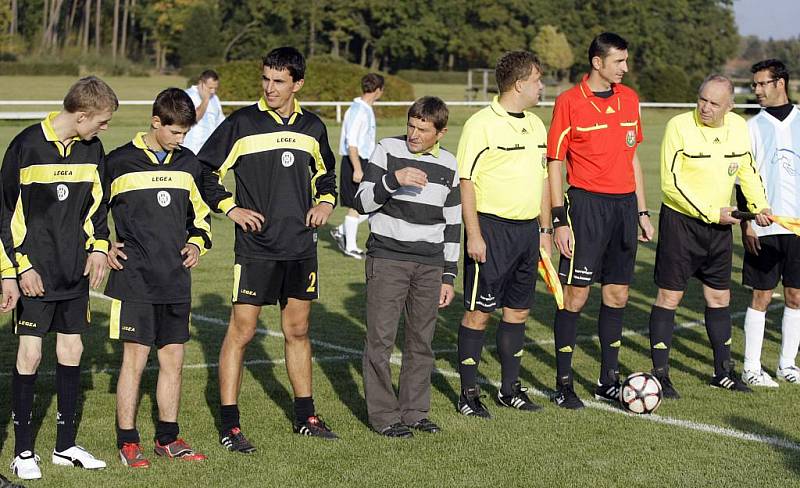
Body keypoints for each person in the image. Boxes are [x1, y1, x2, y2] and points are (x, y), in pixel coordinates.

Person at [198, 46, 338, 451]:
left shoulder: (313, 127)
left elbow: (327, 175)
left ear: (298, 84)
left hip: (300, 248)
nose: (270, 87)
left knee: (298, 330)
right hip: (256, 248)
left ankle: (306, 416)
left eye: (279, 81)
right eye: (266, 79)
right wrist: (231, 207)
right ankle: (230, 424)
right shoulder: (242, 123)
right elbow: (205, 170)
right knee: (242, 332)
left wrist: (326, 201)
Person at [1, 76, 117, 480]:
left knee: (72, 352)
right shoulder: (26, 146)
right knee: (30, 355)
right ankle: (22, 452)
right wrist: (17, 270)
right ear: (82, 115)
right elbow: (5, 214)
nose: (104, 129)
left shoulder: (93, 149)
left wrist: (100, 246)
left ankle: (65, 447)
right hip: (35, 274)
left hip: (74, 275)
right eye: (101, 122)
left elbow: (98, 207)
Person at [104, 88, 212, 467]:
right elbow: (92, 208)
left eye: (185, 133)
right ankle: (128, 441)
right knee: (134, 360)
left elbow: (200, 216)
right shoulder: (119, 161)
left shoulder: (188, 164)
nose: (181, 140)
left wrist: (198, 243)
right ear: (156, 122)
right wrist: (101, 245)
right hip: (134, 279)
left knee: (174, 362)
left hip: (175, 280)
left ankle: (168, 437)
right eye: (176, 133)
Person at [547, 32, 654, 409]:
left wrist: (642, 211)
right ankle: (563, 383)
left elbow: (633, 158)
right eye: (619, 62)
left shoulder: (630, 99)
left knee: (618, 293)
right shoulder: (569, 102)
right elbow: (555, 162)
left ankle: (608, 380)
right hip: (586, 207)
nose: (625, 68)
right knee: (576, 295)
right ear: (597, 62)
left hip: (624, 208)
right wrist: (559, 218)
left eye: (626, 61)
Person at [648, 74, 771, 398]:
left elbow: (747, 171)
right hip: (682, 226)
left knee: (719, 298)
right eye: (702, 99)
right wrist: (709, 212)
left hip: (719, 229)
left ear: (729, 106)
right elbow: (670, 183)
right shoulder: (679, 126)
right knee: (669, 297)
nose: (705, 107)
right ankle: (660, 374)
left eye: (714, 103)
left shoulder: (738, 128)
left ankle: (723, 372)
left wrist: (759, 207)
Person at [355, 97, 460, 437]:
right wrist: (393, 179)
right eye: (411, 126)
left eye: (423, 129)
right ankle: (385, 417)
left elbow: (453, 224)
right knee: (380, 341)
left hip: (430, 265)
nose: (413, 134)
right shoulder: (387, 150)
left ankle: (414, 412)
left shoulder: (449, 164)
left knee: (421, 342)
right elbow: (361, 201)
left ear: (440, 132)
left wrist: (449, 274)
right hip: (387, 259)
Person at [455, 50, 551, 418]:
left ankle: (510, 390)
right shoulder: (481, 124)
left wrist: (544, 230)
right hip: (491, 231)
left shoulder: (536, 125)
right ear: (520, 84)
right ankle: (468, 393)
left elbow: (542, 179)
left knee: (518, 312)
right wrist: (474, 234)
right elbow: (467, 182)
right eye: (539, 80)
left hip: (528, 233)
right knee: (480, 313)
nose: (542, 86)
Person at [738, 59, 800, 386]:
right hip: (764, 225)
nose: (757, 90)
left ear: (780, 83)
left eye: (762, 84)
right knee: (761, 296)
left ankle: (786, 365)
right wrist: (746, 223)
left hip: (798, 228)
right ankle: (751, 367)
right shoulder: (750, 126)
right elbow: (740, 179)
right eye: (754, 85)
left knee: (796, 296)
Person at [330, 73, 385, 259]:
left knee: (374, 203)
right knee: (357, 205)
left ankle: (341, 231)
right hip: (355, 161)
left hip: (364, 161)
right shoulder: (358, 110)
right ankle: (350, 247)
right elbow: (351, 142)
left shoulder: (365, 109)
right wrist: (357, 168)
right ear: (378, 90)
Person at [183, 70, 225, 154]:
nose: (213, 91)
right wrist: (205, 99)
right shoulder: (187, 95)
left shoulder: (215, 98)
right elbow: (192, 119)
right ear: (201, 83)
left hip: (209, 151)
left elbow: (220, 123)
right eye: (210, 88)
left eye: (215, 88)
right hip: (191, 150)